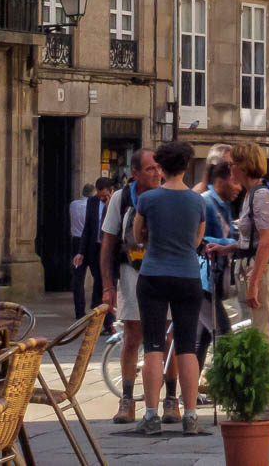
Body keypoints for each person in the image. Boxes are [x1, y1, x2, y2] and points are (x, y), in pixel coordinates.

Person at [205, 142, 269, 424]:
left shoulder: (261, 195)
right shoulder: (251, 194)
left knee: (265, 336)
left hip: (265, 272)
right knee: (261, 335)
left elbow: (266, 242)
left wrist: (253, 282)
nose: (230, 169)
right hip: (257, 269)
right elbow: (249, 241)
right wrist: (225, 248)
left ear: (244, 165)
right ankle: (265, 401)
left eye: (233, 164)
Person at [131, 141, 208, 437]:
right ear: (186, 166)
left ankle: (151, 415)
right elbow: (197, 241)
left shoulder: (148, 199)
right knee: (187, 346)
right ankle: (190, 415)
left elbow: (138, 236)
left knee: (153, 345)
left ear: (161, 167)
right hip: (187, 276)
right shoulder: (197, 202)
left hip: (153, 275)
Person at [100, 150, 175, 425]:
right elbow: (108, 243)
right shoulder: (121, 199)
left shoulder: (170, 194)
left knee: (168, 337)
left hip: (166, 271)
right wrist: (107, 285)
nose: (157, 173)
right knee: (133, 335)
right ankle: (127, 401)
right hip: (131, 272)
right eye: (150, 169)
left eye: (159, 168)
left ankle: (171, 400)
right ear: (135, 173)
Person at [198, 156, 240, 370]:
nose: (239, 187)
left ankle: (190, 386)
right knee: (223, 332)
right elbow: (199, 239)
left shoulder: (224, 205)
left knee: (201, 341)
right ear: (220, 181)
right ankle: (228, 382)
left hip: (214, 279)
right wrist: (232, 243)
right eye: (235, 181)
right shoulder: (205, 202)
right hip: (202, 281)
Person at [74, 177, 114, 325]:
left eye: (105, 195)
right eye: (100, 195)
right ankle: (99, 317)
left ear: (111, 191)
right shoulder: (92, 202)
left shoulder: (117, 202)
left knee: (105, 283)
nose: (102, 198)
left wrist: (110, 204)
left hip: (109, 249)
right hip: (94, 247)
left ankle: (108, 321)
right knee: (98, 282)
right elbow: (87, 228)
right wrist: (81, 252)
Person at [69, 183, 93, 318]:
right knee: (98, 276)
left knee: (78, 278)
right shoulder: (93, 206)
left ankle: (79, 311)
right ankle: (96, 308)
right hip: (90, 242)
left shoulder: (73, 205)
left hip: (76, 242)